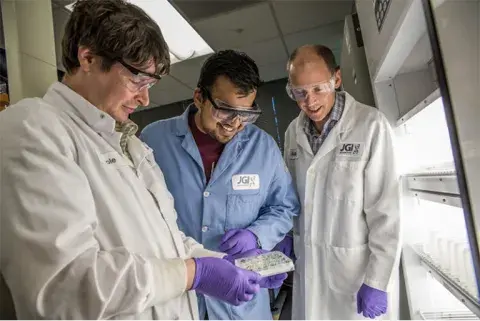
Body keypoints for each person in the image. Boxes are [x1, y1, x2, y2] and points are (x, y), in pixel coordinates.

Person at [0, 1, 283, 319]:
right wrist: (194, 274)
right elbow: (65, 287)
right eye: (138, 81)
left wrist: (226, 263)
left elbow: (169, 243)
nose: (145, 99)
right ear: (88, 57)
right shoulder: (35, 130)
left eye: (150, 85)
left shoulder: (130, 145)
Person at [140, 50, 300, 320]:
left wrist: (257, 235)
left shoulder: (262, 148)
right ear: (199, 97)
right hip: (178, 297)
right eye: (225, 110)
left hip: (239, 304)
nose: (234, 124)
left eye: (246, 114)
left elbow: (284, 206)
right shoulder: (154, 140)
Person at [278, 44, 401, 320]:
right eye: (300, 93)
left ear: (336, 79)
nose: (309, 101)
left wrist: (378, 281)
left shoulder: (370, 126)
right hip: (309, 268)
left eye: (318, 88)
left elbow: (387, 212)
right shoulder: (292, 134)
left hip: (353, 275)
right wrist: (286, 234)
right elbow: (290, 197)